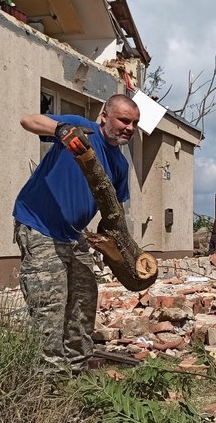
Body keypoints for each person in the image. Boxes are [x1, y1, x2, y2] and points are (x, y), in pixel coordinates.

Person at [13, 94, 140, 371]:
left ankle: (76, 371)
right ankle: (49, 385)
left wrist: (124, 252)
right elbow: (28, 120)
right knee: (49, 307)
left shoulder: (120, 165)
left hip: (73, 234)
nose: (129, 128)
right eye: (124, 120)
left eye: (134, 123)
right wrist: (60, 130)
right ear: (104, 116)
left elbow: (113, 212)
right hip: (39, 226)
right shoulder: (79, 128)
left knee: (84, 302)